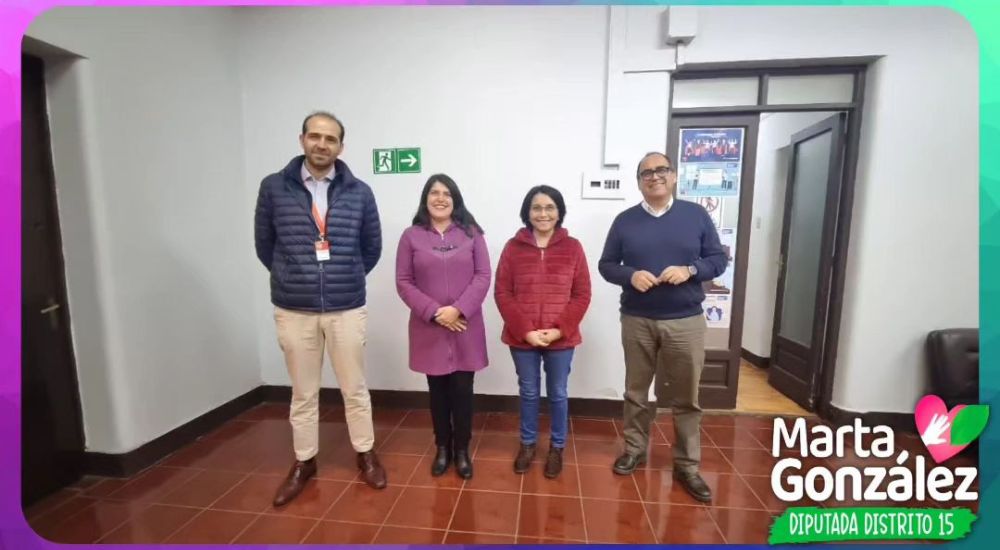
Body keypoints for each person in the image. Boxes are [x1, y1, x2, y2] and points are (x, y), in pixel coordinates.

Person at [254, 111, 387, 507]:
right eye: (315, 136)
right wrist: (294, 276)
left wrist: (345, 275)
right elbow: (265, 245)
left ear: (341, 147)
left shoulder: (360, 192)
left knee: (354, 388)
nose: (322, 144)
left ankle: (365, 453)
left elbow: (372, 247)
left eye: (330, 139)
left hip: (346, 307)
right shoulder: (274, 187)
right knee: (303, 392)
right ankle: (304, 461)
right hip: (294, 308)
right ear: (302, 140)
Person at [598, 152, 727, 503]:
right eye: (646, 173)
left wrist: (691, 270)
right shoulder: (625, 221)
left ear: (673, 176)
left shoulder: (695, 215)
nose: (654, 177)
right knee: (636, 392)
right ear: (639, 181)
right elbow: (606, 265)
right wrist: (630, 275)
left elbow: (718, 260)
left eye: (661, 171)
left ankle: (687, 465)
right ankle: (634, 450)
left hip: (685, 321)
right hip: (637, 319)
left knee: (686, 398)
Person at [395, 174, 491, 479]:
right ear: (425, 199)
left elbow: (483, 276)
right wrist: (435, 312)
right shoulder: (411, 236)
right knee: (437, 392)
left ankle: (461, 449)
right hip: (430, 327)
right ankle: (442, 447)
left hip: (465, 325)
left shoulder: (472, 234)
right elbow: (403, 282)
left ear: (455, 199)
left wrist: (458, 310)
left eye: (447, 193)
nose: (440, 198)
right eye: (434, 193)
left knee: (463, 390)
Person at [495, 185, 591, 478]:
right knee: (528, 392)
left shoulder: (573, 247)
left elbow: (582, 294)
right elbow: (503, 293)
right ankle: (527, 444)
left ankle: (557, 447)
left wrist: (559, 330)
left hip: (561, 338)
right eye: (536, 208)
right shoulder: (513, 248)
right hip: (522, 337)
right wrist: (526, 331)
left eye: (550, 207)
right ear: (527, 212)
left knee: (558, 393)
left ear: (559, 212)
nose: (543, 213)